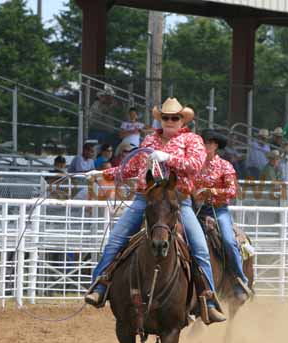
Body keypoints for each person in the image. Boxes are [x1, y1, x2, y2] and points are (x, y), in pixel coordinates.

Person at [83, 98, 226, 323]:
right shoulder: (149, 139)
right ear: (161, 119)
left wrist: (168, 157)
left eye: (174, 118)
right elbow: (132, 167)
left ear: (182, 120)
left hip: (177, 201)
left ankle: (207, 300)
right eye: (166, 117)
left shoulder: (192, 140)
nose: (169, 121)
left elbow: (195, 165)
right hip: (146, 198)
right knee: (116, 240)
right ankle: (100, 285)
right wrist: (103, 174)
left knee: (200, 248)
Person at [194, 130, 250, 302]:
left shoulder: (225, 166)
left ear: (216, 145)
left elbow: (233, 191)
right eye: (203, 142)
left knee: (227, 240)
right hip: (195, 210)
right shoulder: (194, 164)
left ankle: (239, 280)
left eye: (209, 143)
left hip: (218, 210)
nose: (206, 146)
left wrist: (212, 191)